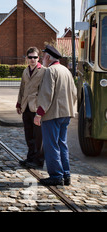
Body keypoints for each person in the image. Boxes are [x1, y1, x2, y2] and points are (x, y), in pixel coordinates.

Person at [34, 44, 77, 186]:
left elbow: (47, 94)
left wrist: (39, 114)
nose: (42, 59)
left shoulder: (50, 71)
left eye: (43, 56)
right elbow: (74, 93)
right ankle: (66, 174)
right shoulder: (66, 70)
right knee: (62, 144)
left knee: (51, 145)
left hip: (52, 114)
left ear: (47, 57)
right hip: (66, 113)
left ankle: (56, 175)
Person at [16, 47, 45, 169]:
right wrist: (18, 103)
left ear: (38, 58)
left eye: (35, 57)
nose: (32, 59)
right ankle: (30, 157)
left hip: (36, 108)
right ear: (27, 58)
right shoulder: (25, 71)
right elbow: (22, 88)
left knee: (38, 136)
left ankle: (38, 160)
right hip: (26, 106)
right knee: (28, 135)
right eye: (30, 57)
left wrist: (41, 109)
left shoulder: (44, 71)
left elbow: (45, 91)